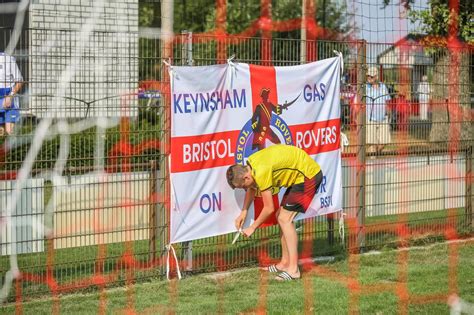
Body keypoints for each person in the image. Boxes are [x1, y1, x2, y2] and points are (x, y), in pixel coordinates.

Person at [226, 144, 323, 281]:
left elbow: (269, 208)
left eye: (242, 186)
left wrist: (252, 227)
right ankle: (284, 263)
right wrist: (244, 212)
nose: (244, 189)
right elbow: (253, 189)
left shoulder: (260, 171)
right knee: (281, 216)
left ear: (246, 177)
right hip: (300, 176)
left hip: (308, 176)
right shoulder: (251, 164)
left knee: (285, 219)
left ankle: (294, 270)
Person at [365, 66, 391, 154]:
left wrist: (389, 114)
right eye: (368, 75)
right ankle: (372, 161)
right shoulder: (365, 88)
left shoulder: (383, 87)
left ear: (376, 77)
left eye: (371, 76)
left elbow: (387, 101)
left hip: (383, 118)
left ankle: (375, 154)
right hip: (370, 119)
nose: (369, 77)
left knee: (385, 141)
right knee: (371, 143)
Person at [0, 52, 24, 136]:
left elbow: (20, 81)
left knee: (10, 132)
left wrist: (10, 96)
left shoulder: (8, 59)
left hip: (9, 99)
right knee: (1, 134)